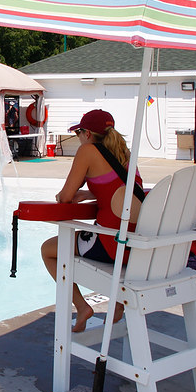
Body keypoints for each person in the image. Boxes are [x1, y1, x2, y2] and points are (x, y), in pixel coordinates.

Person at [40, 109, 144, 332]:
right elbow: (123, 191)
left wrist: (68, 195)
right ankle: (116, 304)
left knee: (48, 250)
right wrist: (92, 194)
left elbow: (66, 197)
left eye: (78, 132)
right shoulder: (124, 153)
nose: (78, 136)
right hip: (137, 246)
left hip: (111, 244)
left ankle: (82, 306)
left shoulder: (87, 151)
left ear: (87, 133)